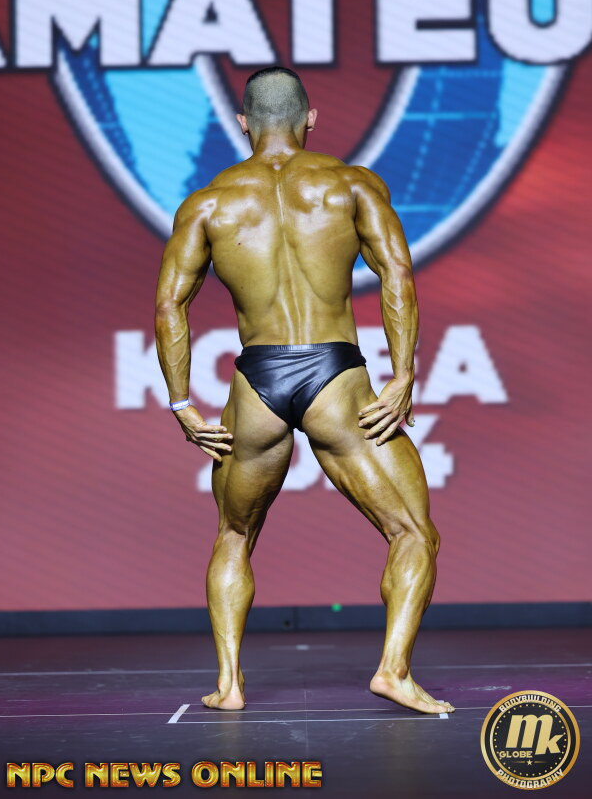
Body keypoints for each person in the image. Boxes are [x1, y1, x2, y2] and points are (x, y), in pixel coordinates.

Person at [154, 67, 454, 715]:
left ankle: (229, 685)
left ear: (242, 123)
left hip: (256, 381)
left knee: (234, 535)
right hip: (334, 376)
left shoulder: (207, 203)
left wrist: (181, 403)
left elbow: (170, 305)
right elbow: (397, 275)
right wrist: (404, 375)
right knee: (412, 533)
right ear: (310, 118)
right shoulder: (352, 185)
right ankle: (393, 671)